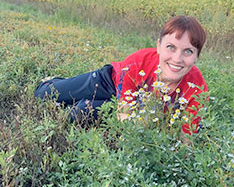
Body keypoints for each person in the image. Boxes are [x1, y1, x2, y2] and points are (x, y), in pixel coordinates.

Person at [35, 15, 209, 135]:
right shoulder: (138, 62)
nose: (177, 59)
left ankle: (83, 104)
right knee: (42, 95)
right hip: (109, 82)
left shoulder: (197, 90)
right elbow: (124, 114)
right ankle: (55, 83)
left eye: (188, 51)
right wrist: (149, 123)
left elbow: (187, 140)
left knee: (76, 114)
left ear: (197, 56)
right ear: (158, 46)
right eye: (171, 47)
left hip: (138, 110)